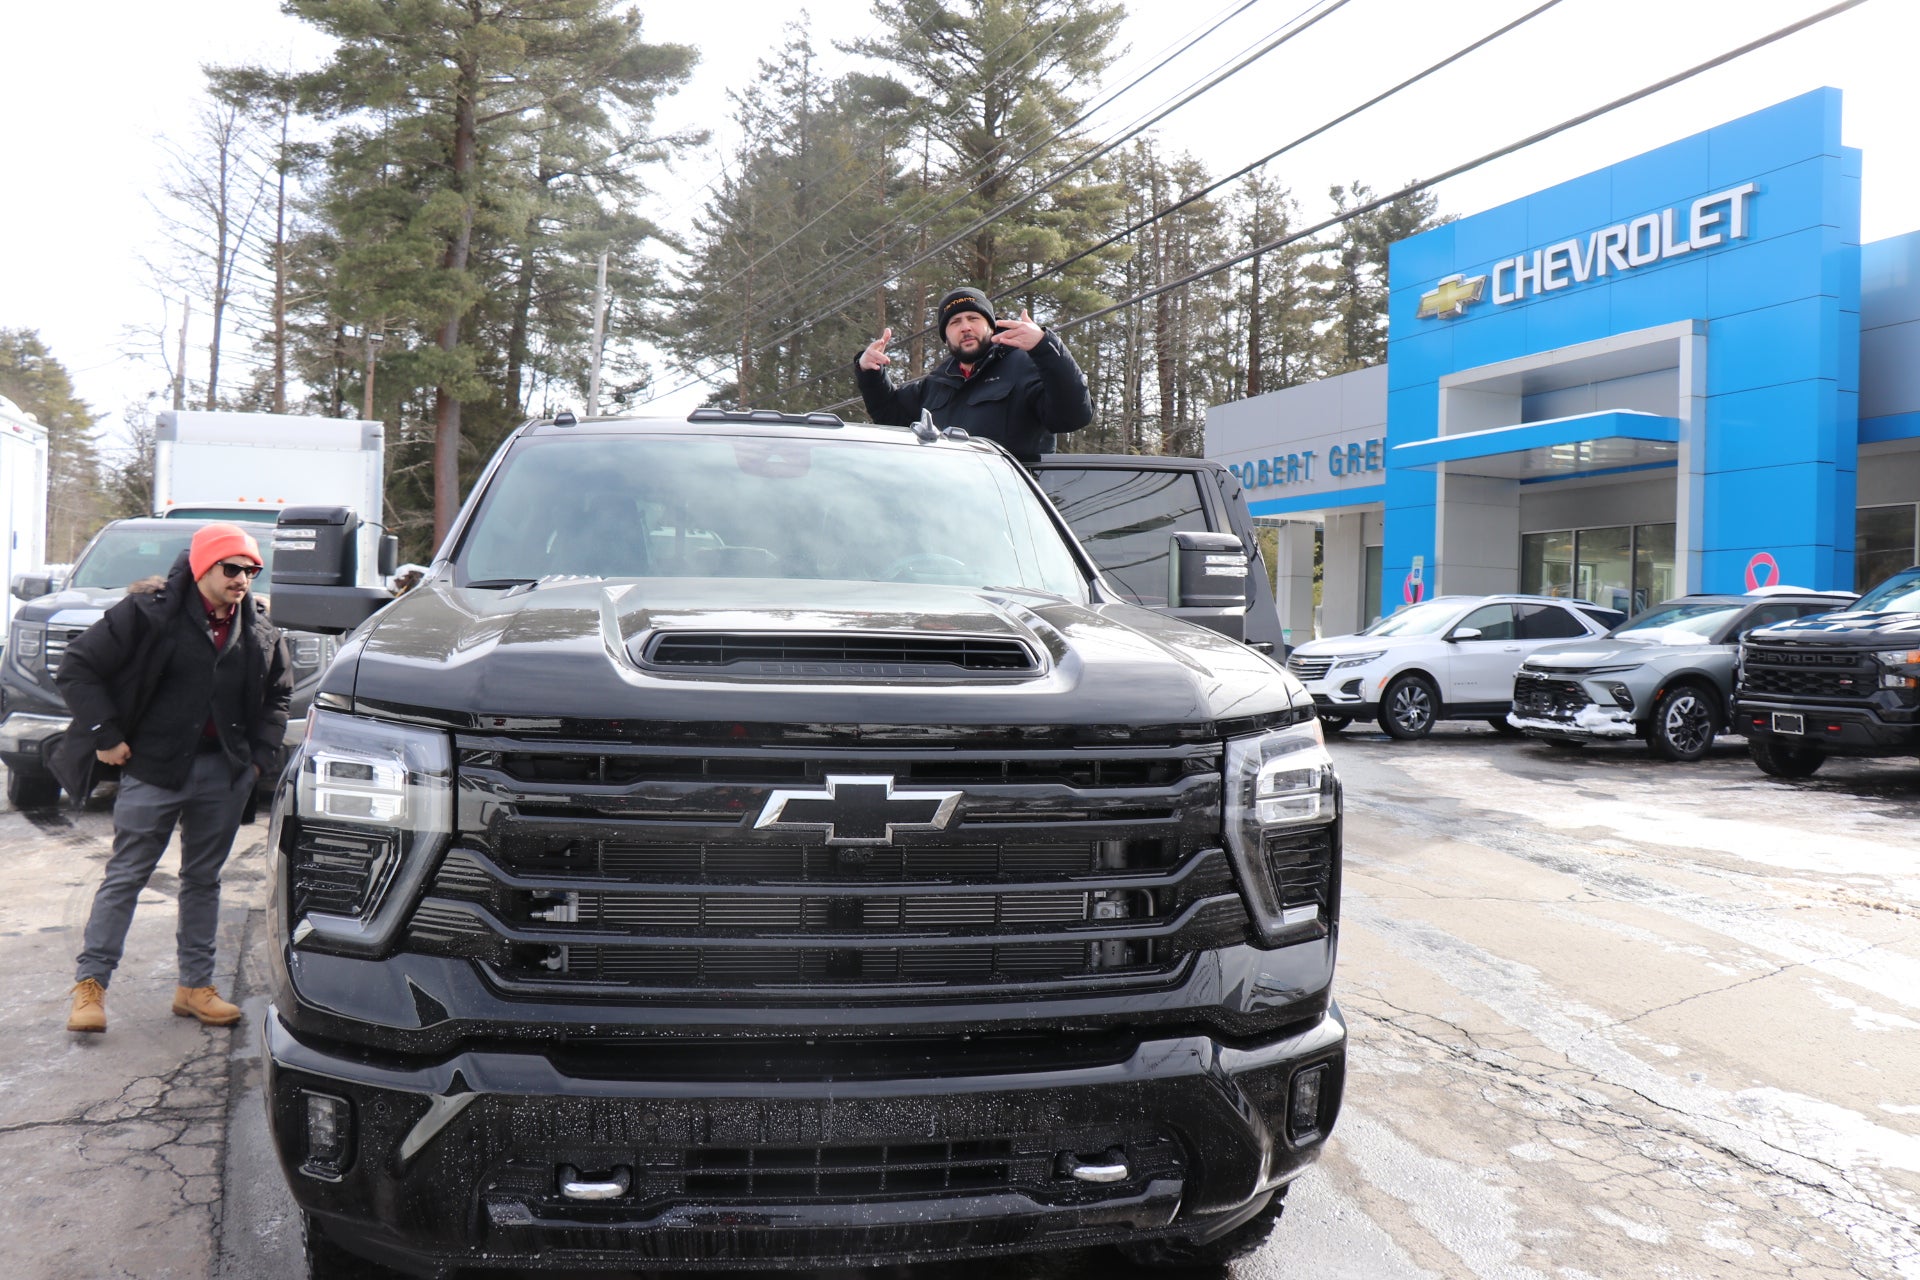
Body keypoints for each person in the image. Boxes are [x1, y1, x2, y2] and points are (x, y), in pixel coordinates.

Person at [55, 523, 291, 1034]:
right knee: (127, 875)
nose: (243, 579)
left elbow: (278, 696)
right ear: (204, 567)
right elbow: (76, 667)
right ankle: (90, 988)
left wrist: (257, 762)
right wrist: (105, 733)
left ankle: (194, 988)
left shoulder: (260, 630)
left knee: (204, 880)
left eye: (251, 570)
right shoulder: (147, 612)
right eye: (232, 568)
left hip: (222, 772)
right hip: (153, 768)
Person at [855, 286, 1093, 465]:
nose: (965, 327)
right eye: (955, 322)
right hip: (950, 510)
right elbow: (889, 414)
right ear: (946, 337)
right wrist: (870, 373)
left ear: (991, 326)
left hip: (1012, 509)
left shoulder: (1025, 365)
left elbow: (1073, 416)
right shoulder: (938, 382)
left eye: (973, 318)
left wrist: (1045, 346)